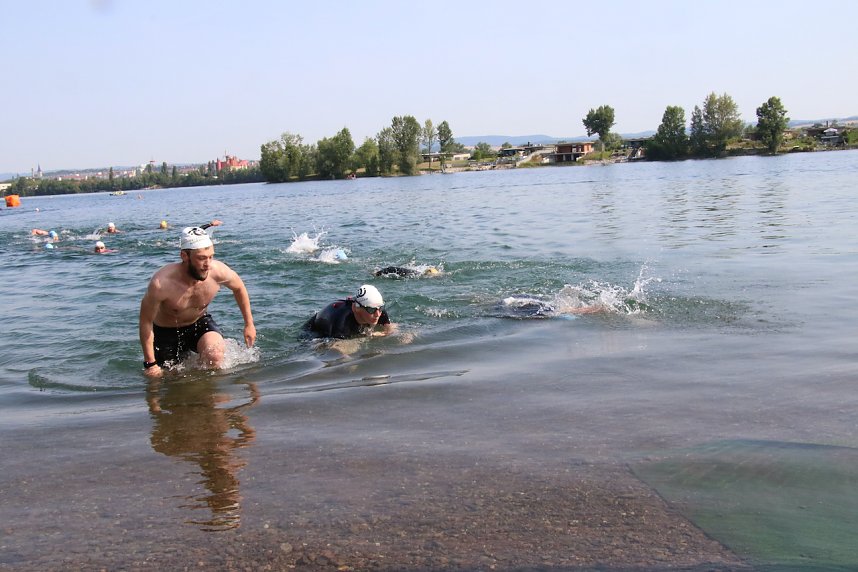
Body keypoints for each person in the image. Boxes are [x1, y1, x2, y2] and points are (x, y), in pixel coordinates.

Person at [139, 225, 255, 376]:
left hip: (199, 323)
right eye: (201, 258)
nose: (208, 264)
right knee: (169, 378)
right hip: (165, 332)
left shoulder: (218, 271)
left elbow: (239, 288)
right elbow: (145, 322)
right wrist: (150, 363)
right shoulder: (161, 284)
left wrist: (249, 324)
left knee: (215, 357)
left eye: (211, 257)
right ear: (184, 256)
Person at [303, 284, 395, 339]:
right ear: (357, 308)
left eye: (380, 308)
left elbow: (391, 331)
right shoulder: (342, 320)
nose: (377, 314)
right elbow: (338, 351)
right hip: (315, 328)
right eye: (371, 310)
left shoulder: (377, 309)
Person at [374, 265, 439, 278]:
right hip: (394, 270)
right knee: (391, 270)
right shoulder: (417, 275)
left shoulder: (418, 274)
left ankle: (376, 273)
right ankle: (376, 273)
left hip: (399, 271)